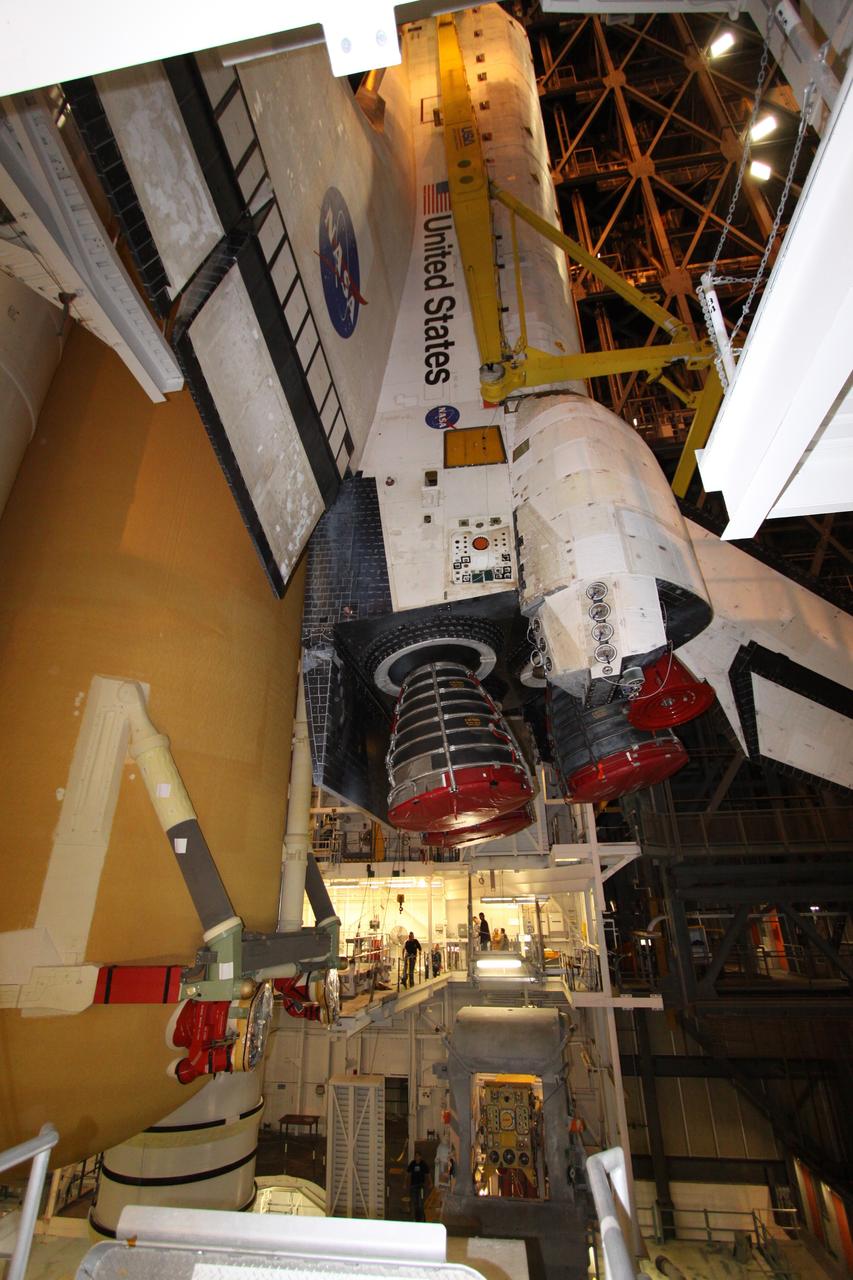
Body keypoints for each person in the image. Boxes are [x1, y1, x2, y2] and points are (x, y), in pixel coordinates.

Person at [407, 1150, 430, 1221]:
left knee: (420, 1203)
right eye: (415, 1156)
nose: (416, 1157)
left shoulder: (423, 1164)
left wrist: (431, 1183)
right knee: (414, 1202)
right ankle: (414, 1218)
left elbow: (428, 1174)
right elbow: (408, 1173)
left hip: (421, 1186)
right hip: (413, 1185)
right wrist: (405, 1183)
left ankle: (422, 1218)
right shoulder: (412, 1163)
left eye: (418, 1156)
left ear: (420, 1157)